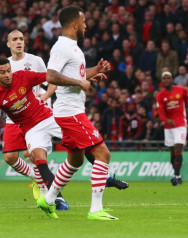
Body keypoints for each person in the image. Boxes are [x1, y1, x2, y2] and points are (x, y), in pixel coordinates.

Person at [37, 5, 118, 220]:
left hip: (69, 112)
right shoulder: (62, 46)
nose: (85, 26)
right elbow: (51, 76)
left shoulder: (73, 47)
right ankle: (95, 210)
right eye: (83, 22)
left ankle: (48, 199)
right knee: (103, 154)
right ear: (75, 24)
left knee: (75, 161)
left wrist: (95, 72)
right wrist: (80, 82)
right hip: (70, 112)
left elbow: (76, 75)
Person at [2, 30, 70, 210]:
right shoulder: (4, 66)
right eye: (15, 39)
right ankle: (35, 175)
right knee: (10, 156)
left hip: (37, 114)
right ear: (8, 44)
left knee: (34, 155)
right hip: (13, 118)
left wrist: (46, 94)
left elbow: (52, 79)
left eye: (21, 39)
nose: (19, 42)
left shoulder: (35, 61)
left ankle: (52, 195)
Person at [156, 71, 188, 186]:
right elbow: (160, 112)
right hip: (168, 126)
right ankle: (178, 175)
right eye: (164, 78)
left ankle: (175, 176)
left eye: (168, 78)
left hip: (180, 124)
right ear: (162, 81)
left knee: (178, 148)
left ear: (172, 80)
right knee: (172, 152)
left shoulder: (181, 90)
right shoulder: (160, 95)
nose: (166, 80)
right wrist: (166, 120)